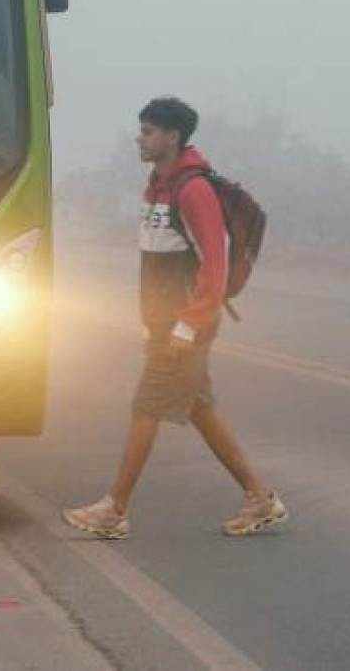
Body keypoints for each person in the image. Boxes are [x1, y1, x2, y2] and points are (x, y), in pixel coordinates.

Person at [63, 97, 286, 540]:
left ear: (173, 137)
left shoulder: (192, 190)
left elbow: (215, 265)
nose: (140, 138)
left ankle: (114, 509)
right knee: (200, 408)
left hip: (185, 326)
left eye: (148, 131)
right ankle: (260, 498)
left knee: (147, 406)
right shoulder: (159, 185)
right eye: (141, 130)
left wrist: (188, 324)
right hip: (166, 323)